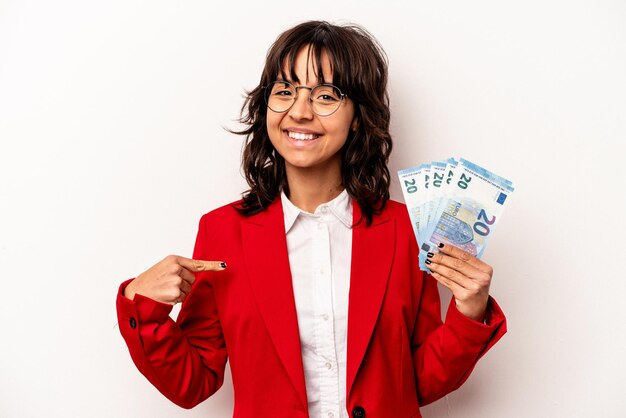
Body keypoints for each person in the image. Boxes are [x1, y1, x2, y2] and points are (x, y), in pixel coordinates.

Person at [116, 20, 506, 418]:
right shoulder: (222, 232)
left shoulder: (406, 231)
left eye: (325, 95)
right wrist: (140, 305)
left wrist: (469, 314)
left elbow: (418, 383)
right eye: (285, 91)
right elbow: (192, 383)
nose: (299, 112)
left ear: (358, 116)